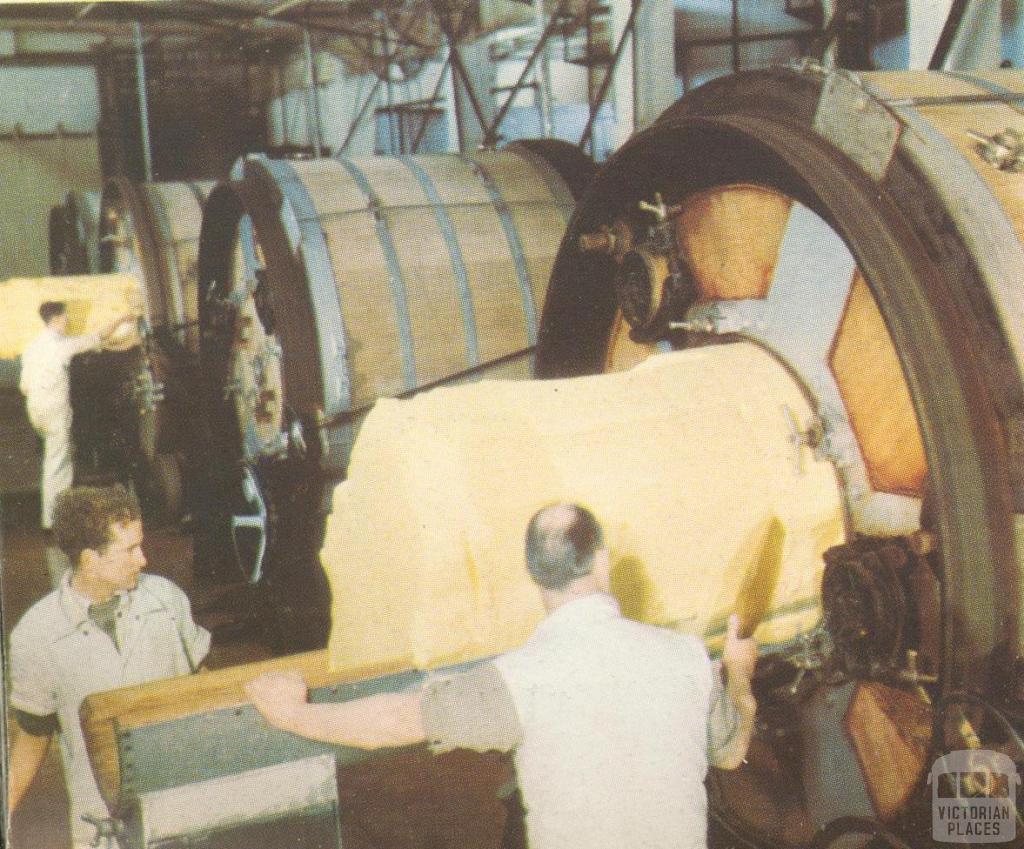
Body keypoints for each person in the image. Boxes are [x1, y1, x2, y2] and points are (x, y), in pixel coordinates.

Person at [246, 502, 758, 849]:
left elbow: (398, 719)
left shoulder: (519, 681)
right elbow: (731, 750)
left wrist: (294, 714)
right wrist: (737, 672)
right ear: (602, 561)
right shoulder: (686, 657)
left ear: (534, 575)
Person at [7, 485, 210, 849]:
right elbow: (34, 735)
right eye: (130, 549)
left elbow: (204, 684)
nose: (143, 560)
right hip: (103, 821)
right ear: (89, 559)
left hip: (182, 807)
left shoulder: (166, 600)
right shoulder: (36, 634)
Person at [18, 301, 136, 529]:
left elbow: (24, 387)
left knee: (54, 460)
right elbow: (98, 336)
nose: (68, 321)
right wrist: (122, 318)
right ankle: (54, 521)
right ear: (59, 318)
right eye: (66, 317)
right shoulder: (61, 345)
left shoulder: (31, 347)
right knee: (58, 465)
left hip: (36, 410)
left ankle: (54, 517)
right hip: (54, 412)